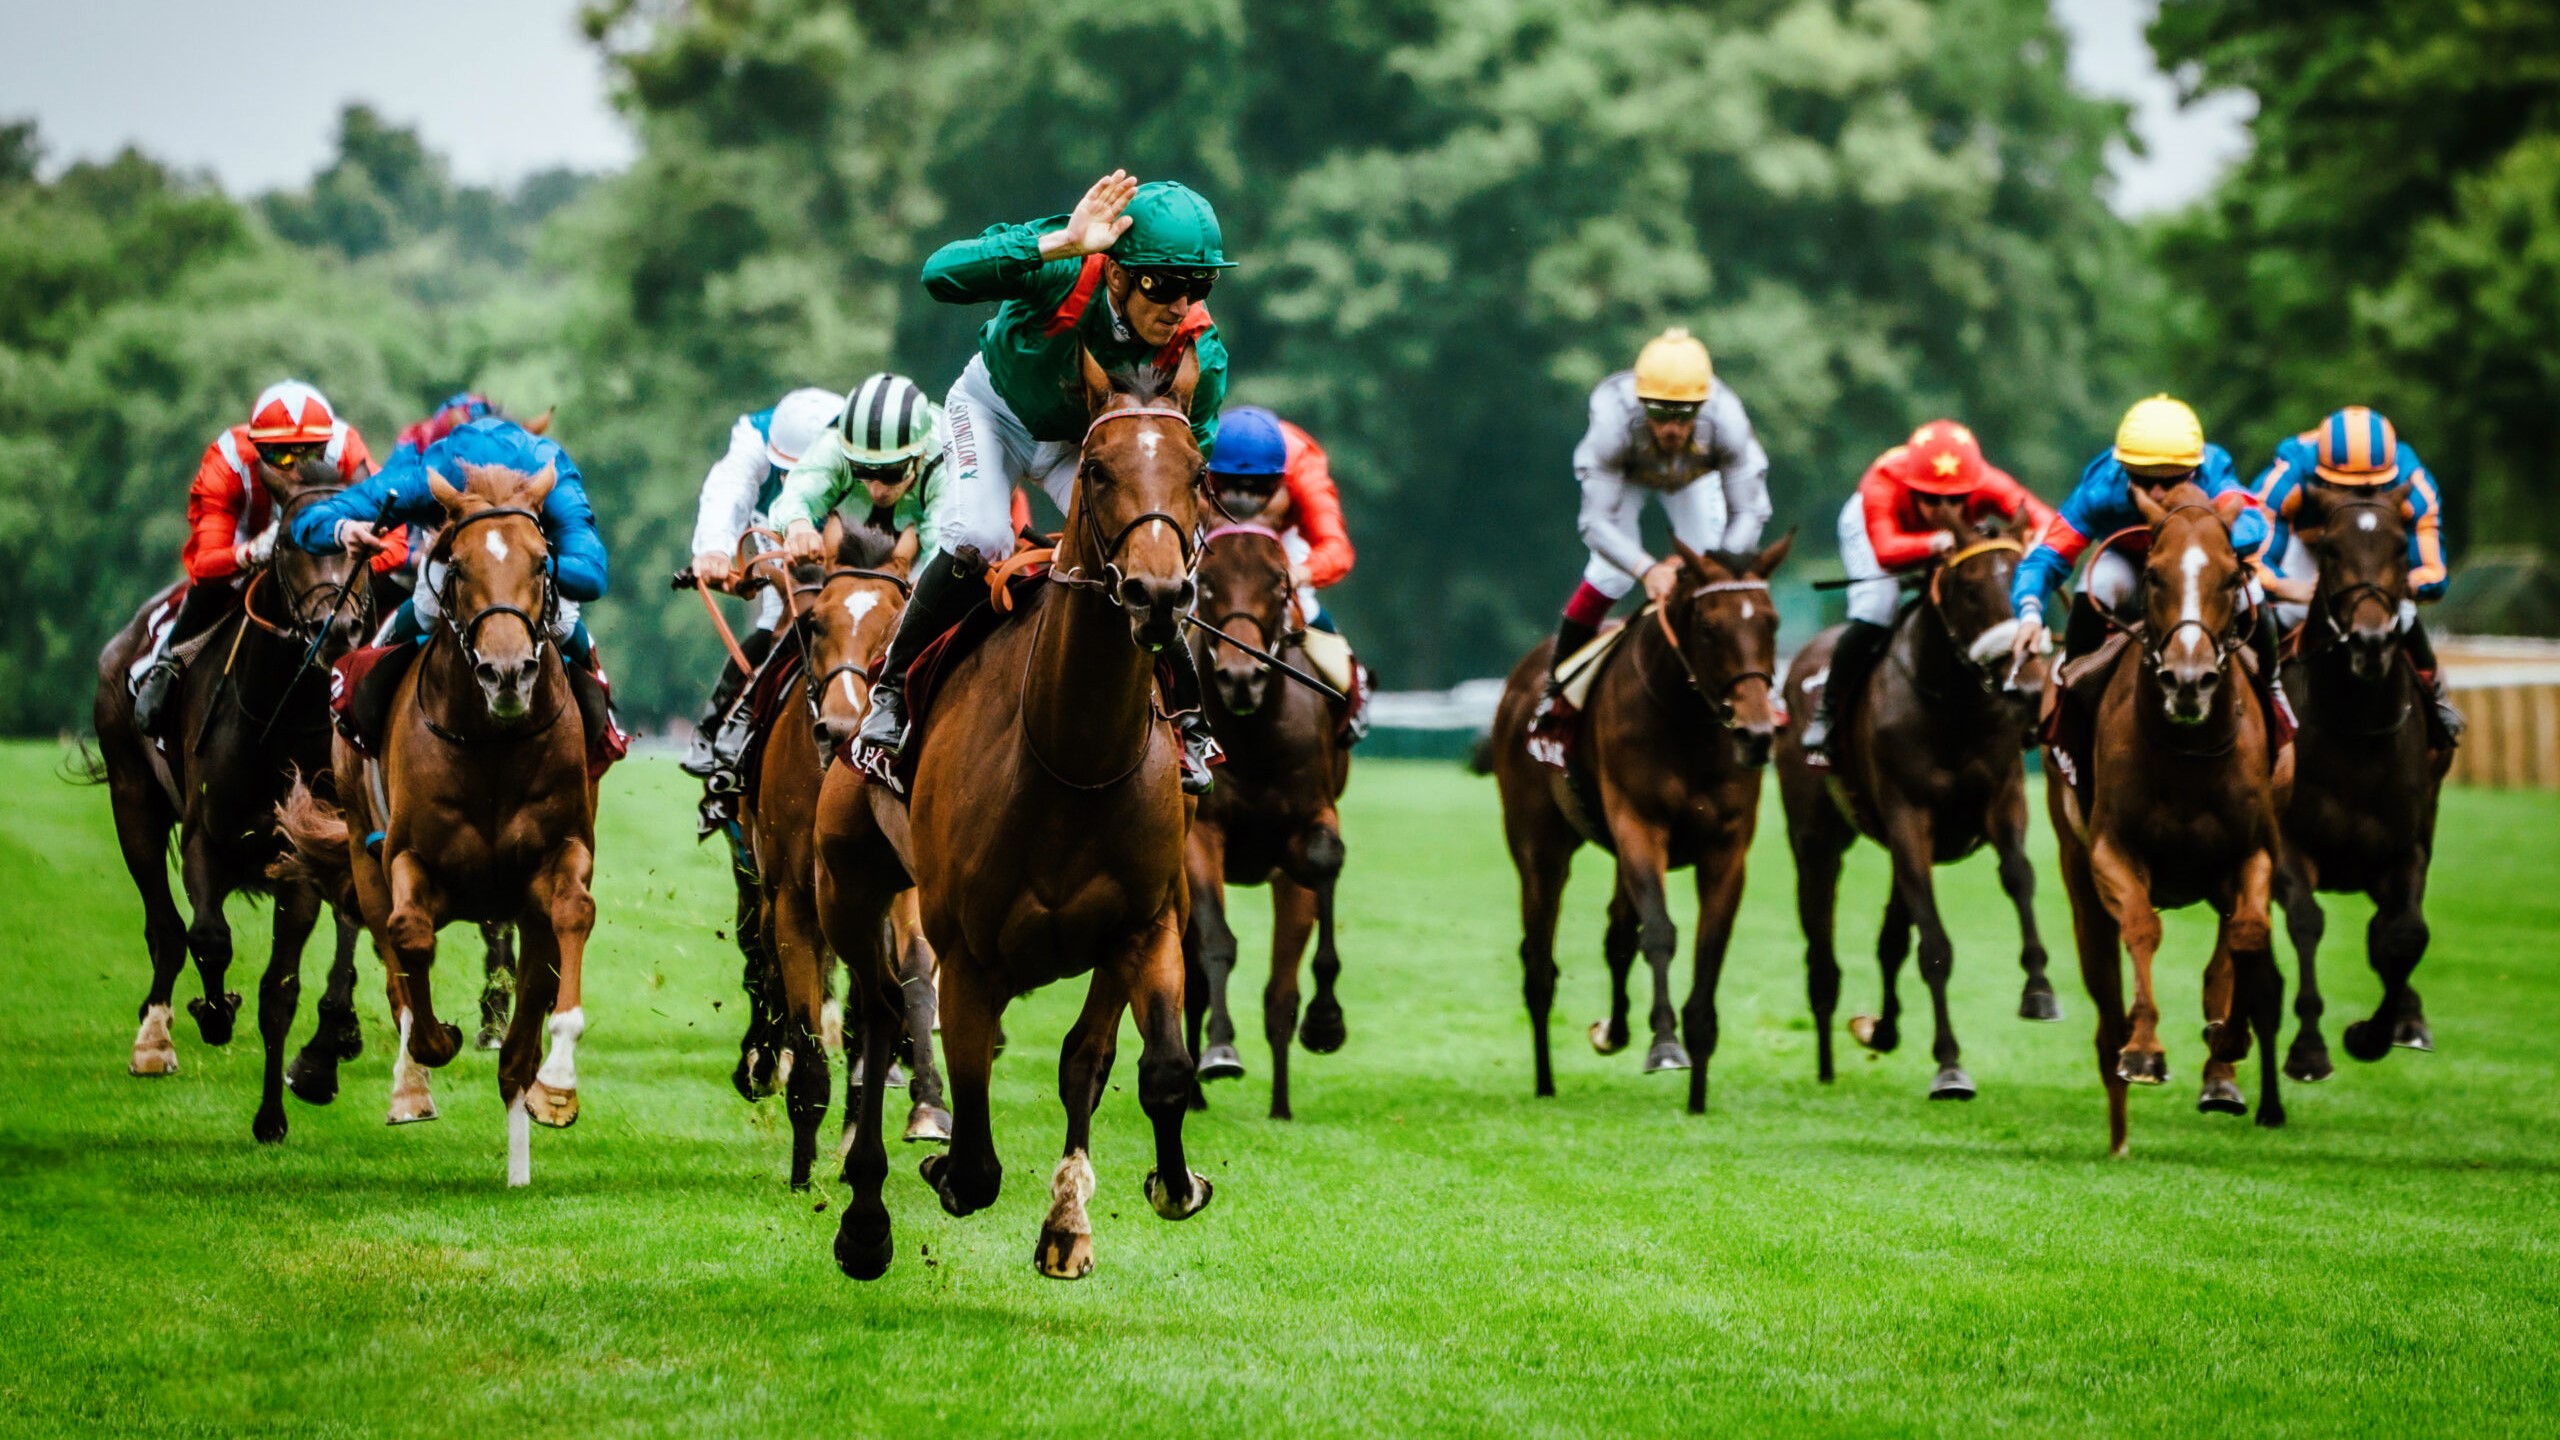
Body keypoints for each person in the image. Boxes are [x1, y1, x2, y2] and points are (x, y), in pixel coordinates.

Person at [850, 170, 1234, 793]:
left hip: (1076, 444)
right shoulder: (1069, 264)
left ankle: (1187, 718)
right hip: (993, 412)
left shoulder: (1201, 352)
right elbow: (939, 274)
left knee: (1152, 555)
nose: (1180, 305)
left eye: (1200, 285)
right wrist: (1058, 244)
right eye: (1163, 284)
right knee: (979, 535)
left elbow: (1187, 461)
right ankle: (890, 690)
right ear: (1116, 273)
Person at [1526, 326, 1772, 755]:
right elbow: (1595, 524)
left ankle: (1761, 694)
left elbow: (1749, 511)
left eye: (1685, 413)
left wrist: (1720, 565)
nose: (1672, 428)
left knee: (1721, 584)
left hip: (1694, 480)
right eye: (1659, 412)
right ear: (1641, 404)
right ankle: (1556, 691)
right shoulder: (1612, 425)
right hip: (1629, 477)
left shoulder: (1727, 418)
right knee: (1610, 575)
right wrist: (1647, 569)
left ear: (1704, 405)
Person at [289, 414, 612, 729]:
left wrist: (527, 563)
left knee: (564, 621)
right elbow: (306, 522)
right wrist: (343, 529)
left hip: (529, 563)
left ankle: (606, 724)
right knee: (428, 608)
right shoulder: (426, 479)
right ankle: (358, 696)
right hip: (462, 559)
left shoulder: (553, 477)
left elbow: (592, 576)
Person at [2007, 394, 2285, 724]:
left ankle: (2273, 688)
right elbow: (2047, 557)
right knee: (2098, 582)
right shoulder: (2100, 488)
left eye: (2169, 481)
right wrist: (2029, 612)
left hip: (2194, 569)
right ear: (2123, 469)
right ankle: (2075, 691)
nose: (2155, 493)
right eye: (2141, 478)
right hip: (2129, 568)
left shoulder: (2213, 470)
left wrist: (2198, 542)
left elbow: (2252, 525)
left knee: (2250, 595)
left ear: (2194, 471)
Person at [1800, 420, 2056, 759]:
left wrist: (2033, 542)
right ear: (1912, 489)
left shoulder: (1986, 480)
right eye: (1931, 499)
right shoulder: (1883, 483)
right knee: (1878, 606)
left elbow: (2047, 521)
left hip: (1948, 543)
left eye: (1957, 499)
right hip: (1876, 531)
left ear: (1973, 488)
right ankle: (1827, 711)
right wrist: (1940, 541)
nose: (1945, 510)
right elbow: (1886, 552)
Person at [129, 381, 377, 731]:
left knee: (375, 586)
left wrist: (356, 557)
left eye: (309, 454)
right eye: (280, 455)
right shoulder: (227, 461)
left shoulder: (347, 449)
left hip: (323, 548)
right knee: (212, 591)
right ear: (257, 448)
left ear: (327, 446)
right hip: (249, 534)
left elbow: (394, 539)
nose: (295, 469)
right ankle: (170, 662)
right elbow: (205, 564)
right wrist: (252, 552)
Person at [2252, 405, 2463, 741]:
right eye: (2343, 486)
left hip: (2378, 557)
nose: (2358, 495)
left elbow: (2433, 573)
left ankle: (2435, 698)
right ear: (2320, 472)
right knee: (2279, 614)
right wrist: (2288, 588)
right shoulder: (2289, 472)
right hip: (2310, 551)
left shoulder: (2414, 482)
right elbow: (2255, 560)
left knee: (2403, 616)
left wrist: (2397, 586)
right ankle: (2256, 699)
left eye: (2371, 487)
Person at [678, 386, 847, 776]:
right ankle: (720, 727)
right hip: (777, 532)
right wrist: (715, 550)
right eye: (785, 472)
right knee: (782, 615)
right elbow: (728, 490)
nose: (793, 482)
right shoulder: (755, 440)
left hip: (847, 533)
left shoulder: (861, 445)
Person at [1201, 405, 1368, 724]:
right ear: (1212, 474)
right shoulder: (1199, 455)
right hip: (1213, 529)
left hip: (1280, 535)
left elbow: (1336, 548)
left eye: (1259, 487)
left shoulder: (1303, 466)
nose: (1244, 496)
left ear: (1281, 478)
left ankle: (1353, 700)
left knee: (1302, 603)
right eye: (1231, 484)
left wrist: (1298, 574)